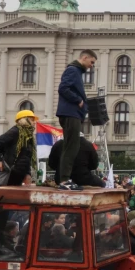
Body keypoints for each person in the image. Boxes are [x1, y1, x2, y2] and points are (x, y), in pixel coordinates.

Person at [56, 49, 96, 185]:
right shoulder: (73, 70)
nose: (92, 65)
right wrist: (78, 100)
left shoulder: (75, 71)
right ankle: (64, 180)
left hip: (71, 113)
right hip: (70, 113)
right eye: (91, 62)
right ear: (84, 58)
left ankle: (64, 179)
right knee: (71, 147)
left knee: (70, 146)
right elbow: (63, 88)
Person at [0, 110, 39, 186]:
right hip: (10, 172)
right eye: (32, 120)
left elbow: (26, 157)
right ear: (24, 120)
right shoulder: (15, 131)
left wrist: (27, 173)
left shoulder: (28, 136)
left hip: (19, 173)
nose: (34, 122)